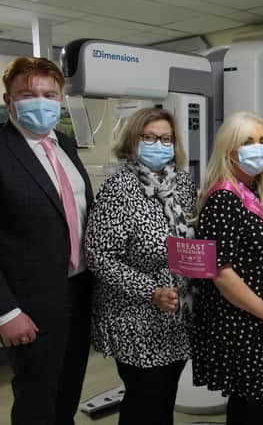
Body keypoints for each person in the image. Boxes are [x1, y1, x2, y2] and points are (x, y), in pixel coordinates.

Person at [85, 107, 195, 425]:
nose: (158, 144)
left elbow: (192, 239)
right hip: (136, 318)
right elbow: (99, 256)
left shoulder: (183, 185)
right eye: (149, 138)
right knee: (145, 401)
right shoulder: (120, 189)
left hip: (177, 316)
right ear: (133, 142)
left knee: (163, 400)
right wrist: (151, 291)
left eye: (165, 139)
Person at [0, 57, 94, 425]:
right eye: (28, 94)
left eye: (49, 94)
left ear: (60, 100)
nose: (40, 101)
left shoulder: (65, 144)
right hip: (28, 305)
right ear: (9, 101)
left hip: (79, 291)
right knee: (36, 403)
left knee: (68, 393)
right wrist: (6, 312)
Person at [190, 111, 263, 425]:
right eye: (248, 141)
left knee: (255, 408)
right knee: (255, 411)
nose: (258, 148)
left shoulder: (258, 192)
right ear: (230, 150)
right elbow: (221, 274)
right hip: (247, 323)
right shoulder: (225, 199)